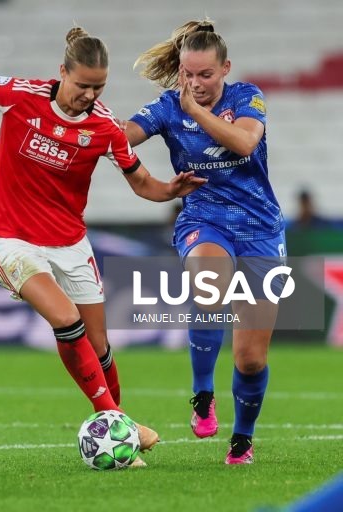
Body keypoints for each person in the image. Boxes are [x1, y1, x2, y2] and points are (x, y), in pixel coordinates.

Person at [0, 26, 207, 466]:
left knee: (99, 346)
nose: (89, 95)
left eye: (98, 87)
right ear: (62, 73)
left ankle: (120, 432)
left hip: (71, 243)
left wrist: (172, 189)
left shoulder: (105, 127)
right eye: (82, 85)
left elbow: (143, 184)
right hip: (10, 238)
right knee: (65, 319)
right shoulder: (21, 94)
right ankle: (115, 421)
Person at [126, 19, 286, 464]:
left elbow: (246, 143)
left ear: (225, 70)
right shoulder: (165, 107)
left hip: (260, 229)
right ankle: (201, 393)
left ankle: (242, 440)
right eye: (187, 75)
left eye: (205, 75)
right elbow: (121, 137)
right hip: (203, 218)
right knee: (209, 284)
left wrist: (196, 112)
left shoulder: (247, 97)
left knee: (251, 359)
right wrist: (75, 121)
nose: (194, 84)